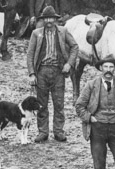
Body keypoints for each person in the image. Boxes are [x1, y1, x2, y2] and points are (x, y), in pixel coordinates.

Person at [25, 6, 78, 142]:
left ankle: (58, 131)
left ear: (55, 19)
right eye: (46, 18)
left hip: (58, 71)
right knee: (41, 104)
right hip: (41, 71)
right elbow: (30, 54)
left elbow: (74, 46)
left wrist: (69, 64)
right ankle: (43, 132)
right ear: (43, 20)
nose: (49, 21)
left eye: (51, 18)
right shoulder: (36, 33)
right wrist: (32, 73)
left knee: (59, 103)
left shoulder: (63, 31)